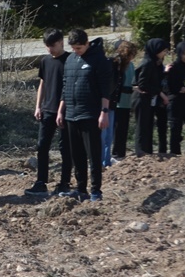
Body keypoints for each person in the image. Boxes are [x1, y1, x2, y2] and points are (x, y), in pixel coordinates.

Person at [56, 29, 112, 202]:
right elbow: (65, 87)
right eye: (73, 48)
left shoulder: (99, 60)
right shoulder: (70, 60)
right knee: (77, 154)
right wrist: (61, 110)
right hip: (72, 114)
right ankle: (81, 189)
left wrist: (104, 112)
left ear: (87, 43)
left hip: (91, 114)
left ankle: (96, 191)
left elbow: (106, 88)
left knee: (93, 154)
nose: (76, 51)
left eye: (79, 48)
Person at [27, 30, 72, 196]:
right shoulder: (45, 61)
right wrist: (38, 106)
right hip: (47, 109)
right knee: (42, 146)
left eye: (52, 46)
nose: (50, 50)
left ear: (61, 42)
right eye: (47, 47)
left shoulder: (69, 60)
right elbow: (42, 84)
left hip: (65, 111)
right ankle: (41, 182)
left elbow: (68, 89)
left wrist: (61, 110)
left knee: (65, 148)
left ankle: (64, 183)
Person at [134, 38, 170, 156]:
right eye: (163, 51)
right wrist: (160, 93)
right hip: (142, 99)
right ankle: (141, 154)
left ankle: (147, 153)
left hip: (149, 99)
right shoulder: (147, 63)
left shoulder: (156, 63)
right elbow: (143, 84)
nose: (165, 53)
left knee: (148, 127)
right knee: (142, 128)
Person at [165, 42, 185, 156]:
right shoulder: (172, 67)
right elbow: (168, 86)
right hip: (175, 102)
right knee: (175, 131)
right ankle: (175, 156)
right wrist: (179, 89)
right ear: (179, 53)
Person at [111, 40, 138, 160]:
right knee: (117, 130)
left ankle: (121, 154)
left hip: (127, 102)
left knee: (123, 130)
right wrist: (130, 89)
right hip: (118, 103)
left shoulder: (131, 65)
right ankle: (115, 154)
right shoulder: (116, 64)